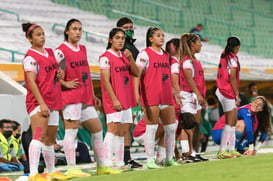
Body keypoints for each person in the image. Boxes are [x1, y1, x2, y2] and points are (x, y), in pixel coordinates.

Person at [55, 18, 118, 176]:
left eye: (80, 29)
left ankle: (102, 166)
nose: (77, 32)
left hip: (85, 97)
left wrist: (92, 94)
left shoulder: (82, 49)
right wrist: (64, 83)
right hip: (70, 97)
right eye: (74, 29)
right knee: (71, 132)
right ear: (67, 31)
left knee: (97, 129)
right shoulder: (61, 50)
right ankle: (72, 168)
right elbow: (49, 71)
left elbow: (86, 73)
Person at [22, 22, 70, 181]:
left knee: (50, 139)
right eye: (38, 35)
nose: (42, 37)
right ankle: (34, 174)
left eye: (43, 34)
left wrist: (61, 73)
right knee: (38, 137)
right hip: (38, 103)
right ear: (29, 38)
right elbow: (31, 82)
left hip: (54, 101)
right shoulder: (30, 58)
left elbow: (58, 67)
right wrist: (41, 103)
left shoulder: (51, 52)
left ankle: (51, 171)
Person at [135, 27, 178, 169]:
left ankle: (169, 158)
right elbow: (137, 75)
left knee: (171, 127)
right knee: (151, 128)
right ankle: (150, 160)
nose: (162, 37)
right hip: (151, 96)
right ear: (150, 39)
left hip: (166, 96)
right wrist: (137, 94)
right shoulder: (144, 54)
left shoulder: (167, 56)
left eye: (163, 35)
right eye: (158, 35)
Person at [99, 27, 139, 169]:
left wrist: (130, 58)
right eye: (117, 38)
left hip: (126, 99)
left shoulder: (124, 56)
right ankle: (106, 163)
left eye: (122, 38)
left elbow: (136, 73)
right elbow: (105, 81)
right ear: (110, 40)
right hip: (113, 99)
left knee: (123, 130)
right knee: (113, 129)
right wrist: (114, 99)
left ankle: (120, 161)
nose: (120, 41)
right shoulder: (105, 57)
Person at [174, 33, 207, 161]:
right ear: (192, 44)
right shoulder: (187, 61)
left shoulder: (194, 60)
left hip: (194, 96)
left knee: (194, 125)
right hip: (187, 95)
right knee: (187, 125)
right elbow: (189, 79)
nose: (201, 45)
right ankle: (187, 153)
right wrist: (198, 94)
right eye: (199, 42)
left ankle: (193, 152)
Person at [116, 17, 142, 168]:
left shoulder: (132, 48)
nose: (130, 30)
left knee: (127, 125)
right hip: (125, 91)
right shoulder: (121, 48)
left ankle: (126, 157)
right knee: (122, 127)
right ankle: (122, 158)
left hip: (132, 91)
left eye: (131, 27)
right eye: (126, 27)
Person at [215, 36, 241, 159]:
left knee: (233, 121)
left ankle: (231, 149)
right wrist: (236, 94)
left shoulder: (224, 54)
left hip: (222, 89)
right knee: (230, 121)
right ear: (237, 47)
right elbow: (232, 77)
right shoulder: (233, 59)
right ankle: (223, 150)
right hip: (227, 91)